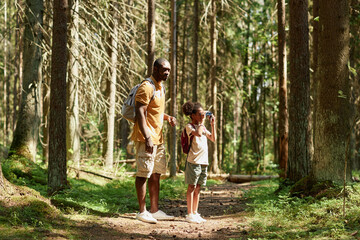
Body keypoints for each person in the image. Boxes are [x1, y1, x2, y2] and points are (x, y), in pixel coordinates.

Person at [132, 58, 177, 224]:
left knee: (156, 174)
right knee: (143, 173)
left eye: (169, 70)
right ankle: (142, 211)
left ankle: (154, 210)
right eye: (164, 69)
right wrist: (148, 137)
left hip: (158, 138)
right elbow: (140, 112)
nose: (167, 73)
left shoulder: (161, 87)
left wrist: (168, 118)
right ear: (155, 68)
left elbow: (154, 112)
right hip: (146, 138)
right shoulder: (146, 87)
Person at [182, 101, 216, 223]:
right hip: (193, 161)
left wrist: (212, 124)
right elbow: (198, 133)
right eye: (200, 114)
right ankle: (189, 214)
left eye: (203, 113)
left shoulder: (203, 126)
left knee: (198, 188)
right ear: (193, 115)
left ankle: (195, 212)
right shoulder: (189, 127)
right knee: (191, 187)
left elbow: (213, 138)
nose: (203, 116)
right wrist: (202, 123)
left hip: (203, 162)